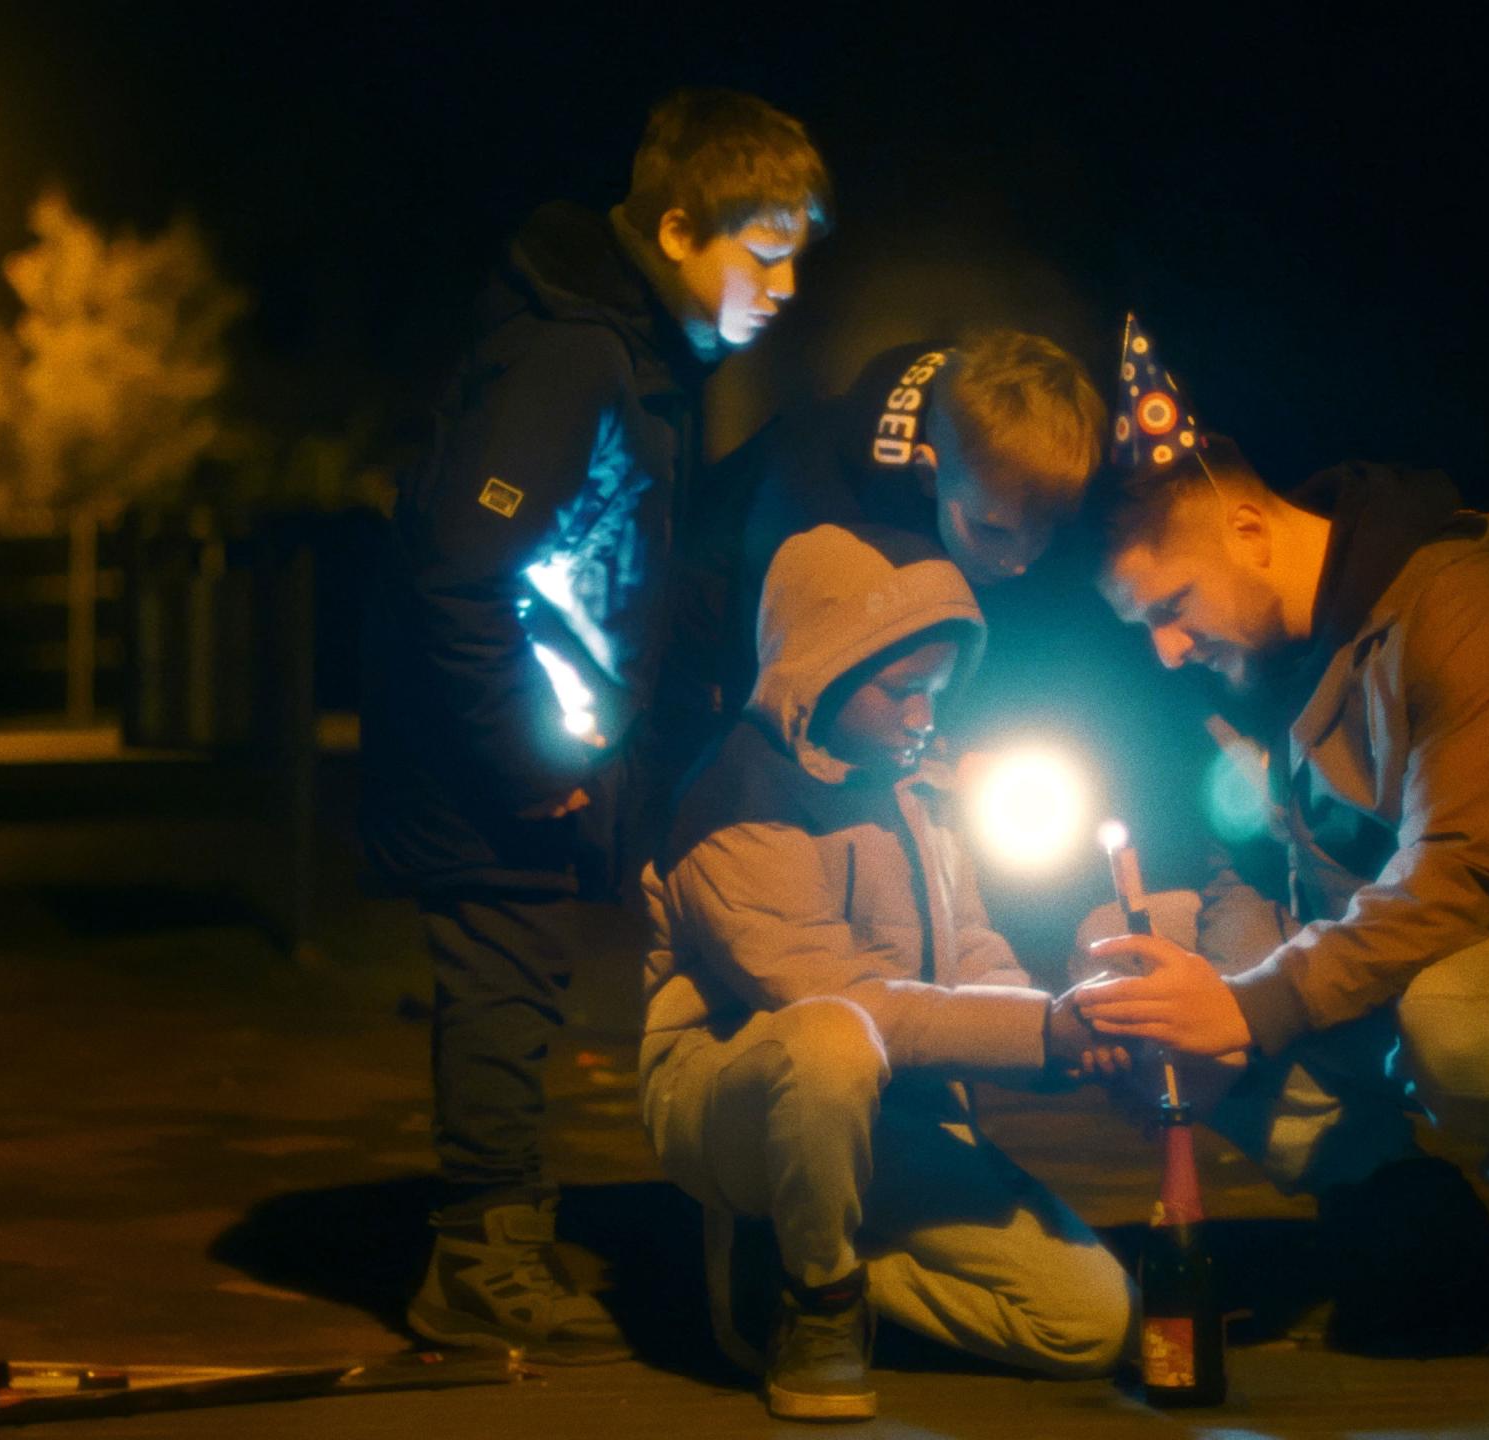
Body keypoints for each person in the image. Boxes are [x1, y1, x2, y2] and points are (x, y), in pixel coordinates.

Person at [1076, 327, 1489, 1368]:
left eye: (1170, 607)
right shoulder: (1259, 662)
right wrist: (1193, 989)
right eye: (1140, 629)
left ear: (1248, 530)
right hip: (1413, 971)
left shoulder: (1468, 603)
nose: (1165, 651)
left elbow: (1462, 879)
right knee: (1161, 995)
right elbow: (1241, 869)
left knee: (1457, 1016)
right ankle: (1403, 1214)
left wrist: (1251, 1006)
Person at [358, 88, 830, 1363]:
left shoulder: (632, 354)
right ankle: (476, 1264)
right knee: (504, 989)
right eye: (765, 251)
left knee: (527, 987)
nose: (785, 286)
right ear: (680, 228)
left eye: (799, 257)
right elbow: (461, 564)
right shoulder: (574, 356)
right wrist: (528, 755)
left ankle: (504, 1235)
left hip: (531, 742)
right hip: (486, 750)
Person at [640, 524, 1132, 1421]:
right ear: (821, 669)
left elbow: (970, 948)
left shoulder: (913, 785)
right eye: (902, 690)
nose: (925, 717)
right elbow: (841, 998)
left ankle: (790, 1250)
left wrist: (1069, 1018)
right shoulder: (736, 803)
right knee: (833, 1040)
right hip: (735, 1100)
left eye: (937, 692)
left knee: (1088, 1323)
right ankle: (818, 1299)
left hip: (889, 1112)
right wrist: (1038, 1037)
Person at [715, 330, 1106, 709]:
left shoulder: (1000, 481)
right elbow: (775, 699)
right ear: (928, 475)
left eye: (1044, 528)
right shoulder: (813, 521)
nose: (1020, 561)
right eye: (992, 531)